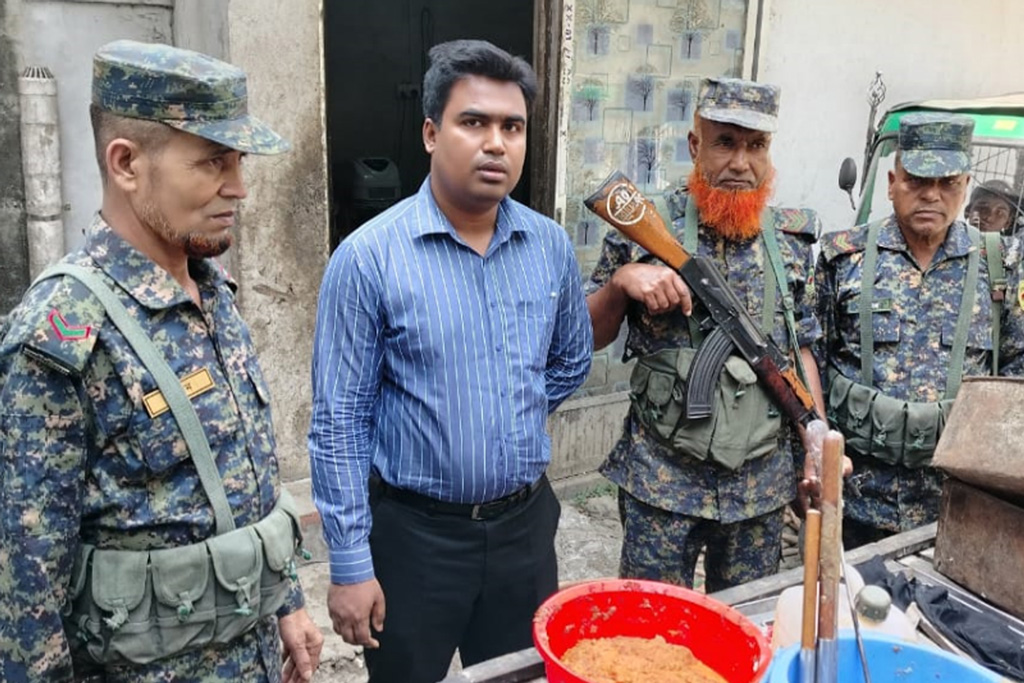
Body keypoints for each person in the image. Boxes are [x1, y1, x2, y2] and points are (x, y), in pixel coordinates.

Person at [0, 40, 323, 682]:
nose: (239, 187)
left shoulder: (211, 291)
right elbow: (25, 581)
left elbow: (243, 483)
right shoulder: (63, 333)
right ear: (126, 163)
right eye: (211, 162)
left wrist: (286, 603)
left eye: (237, 161)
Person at [308, 40, 592, 683]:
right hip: (414, 542)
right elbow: (338, 423)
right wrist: (351, 562)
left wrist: (503, 408)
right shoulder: (369, 258)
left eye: (512, 127)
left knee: (521, 676)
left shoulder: (547, 245)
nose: (496, 143)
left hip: (524, 531)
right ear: (433, 133)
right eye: (475, 123)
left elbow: (572, 358)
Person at [585, 77, 825, 592]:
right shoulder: (643, 228)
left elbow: (801, 349)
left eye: (755, 146)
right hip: (661, 482)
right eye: (725, 143)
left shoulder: (792, 244)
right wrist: (622, 284)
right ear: (696, 145)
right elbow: (588, 334)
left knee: (742, 629)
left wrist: (815, 443)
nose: (741, 163)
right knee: (649, 630)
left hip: (759, 491)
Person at [817, 113, 1004, 548]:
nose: (931, 195)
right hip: (856, 501)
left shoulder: (1000, 268)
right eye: (918, 180)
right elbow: (812, 364)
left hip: (956, 507)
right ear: (892, 181)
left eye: (948, 183)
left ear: (966, 185)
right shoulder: (844, 259)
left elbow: (1010, 377)